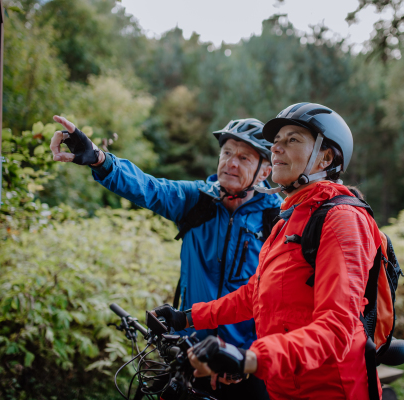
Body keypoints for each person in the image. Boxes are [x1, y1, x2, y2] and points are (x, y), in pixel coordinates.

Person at [155, 103, 383, 399]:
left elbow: (336, 328)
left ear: (325, 158)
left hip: (330, 389)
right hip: (284, 386)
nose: (276, 148)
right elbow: (256, 295)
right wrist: (188, 317)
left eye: (292, 140)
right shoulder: (288, 218)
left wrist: (250, 358)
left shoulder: (342, 220)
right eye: (276, 141)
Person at [49, 115, 281, 399]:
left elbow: (281, 300)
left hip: (246, 359)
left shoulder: (278, 221)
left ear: (264, 172)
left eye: (244, 158)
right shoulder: (197, 200)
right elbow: (149, 188)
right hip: (191, 351)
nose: (231, 162)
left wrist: (249, 357)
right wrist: (100, 159)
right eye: (227, 153)